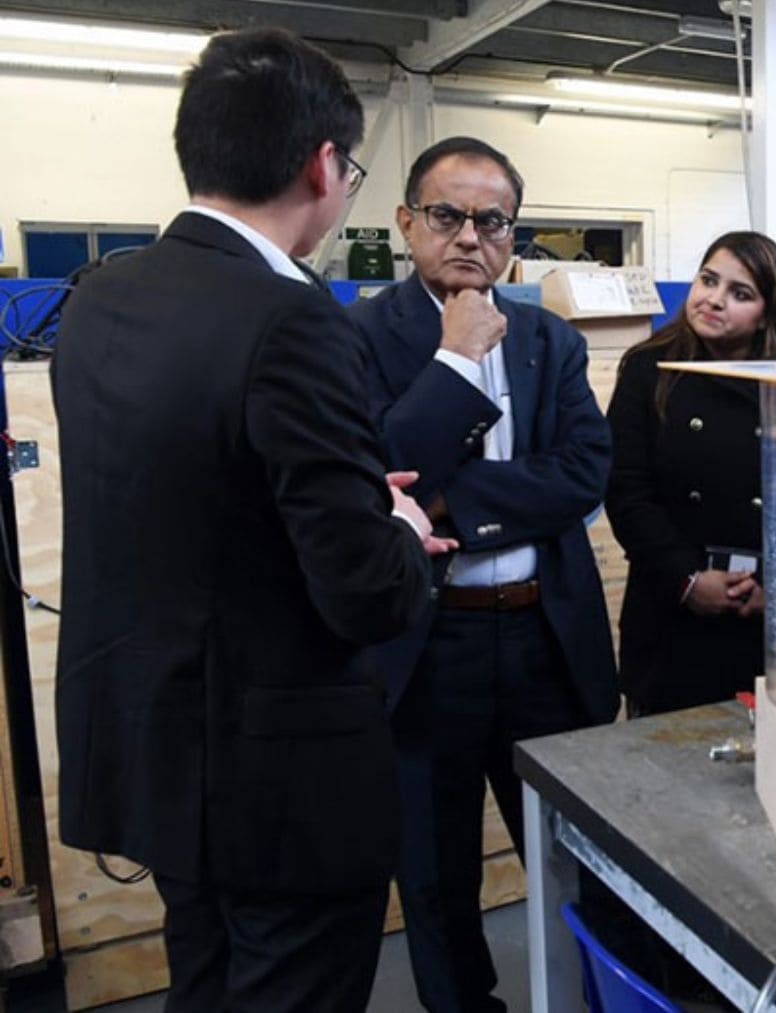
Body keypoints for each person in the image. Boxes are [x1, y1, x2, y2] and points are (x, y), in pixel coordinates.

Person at [51, 28, 444, 1012]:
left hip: (155, 755)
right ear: (324, 165)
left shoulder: (101, 299)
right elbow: (365, 592)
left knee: (208, 985)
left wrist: (338, 488)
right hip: (278, 786)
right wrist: (391, 519)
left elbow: (188, 493)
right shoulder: (292, 317)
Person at [347, 137, 619, 1013]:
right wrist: (454, 359)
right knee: (435, 874)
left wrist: (456, 509)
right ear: (405, 224)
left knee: (578, 858)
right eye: (446, 215)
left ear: (514, 234)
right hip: (430, 648)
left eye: (490, 220)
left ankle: (593, 998)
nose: (468, 236)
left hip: (544, 633)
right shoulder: (357, 335)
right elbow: (378, 469)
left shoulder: (549, 339)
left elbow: (585, 471)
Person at [607, 230, 776, 716]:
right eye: (709, 280)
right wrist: (686, 579)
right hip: (671, 606)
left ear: (767, 309)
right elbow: (626, 489)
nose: (715, 300)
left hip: (766, 614)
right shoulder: (648, 367)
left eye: (740, 294)